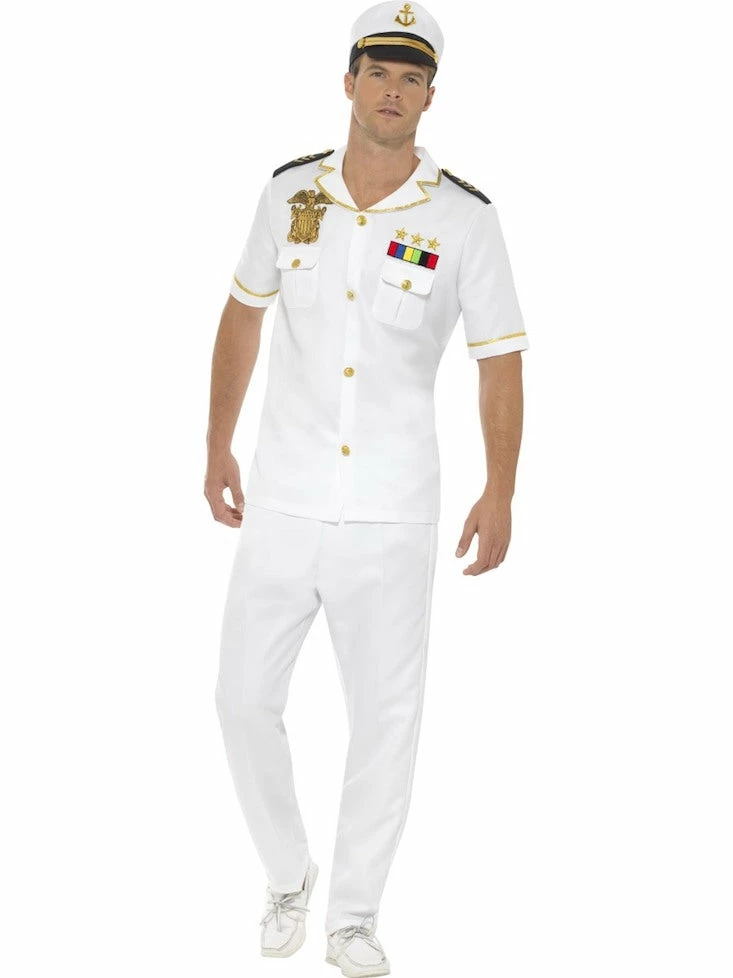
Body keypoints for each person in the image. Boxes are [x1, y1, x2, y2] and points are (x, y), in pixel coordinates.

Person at [204, 2, 529, 975]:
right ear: (347, 83)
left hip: (392, 509)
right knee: (239, 701)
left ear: (430, 97)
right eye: (377, 72)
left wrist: (501, 489)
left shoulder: (464, 218)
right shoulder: (287, 194)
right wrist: (216, 442)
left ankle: (352, 915)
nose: (392, 90)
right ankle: (287, 874)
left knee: (385, 723)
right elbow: (242, 313)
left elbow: (499, 358)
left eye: (411, 77)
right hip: (283, 496)